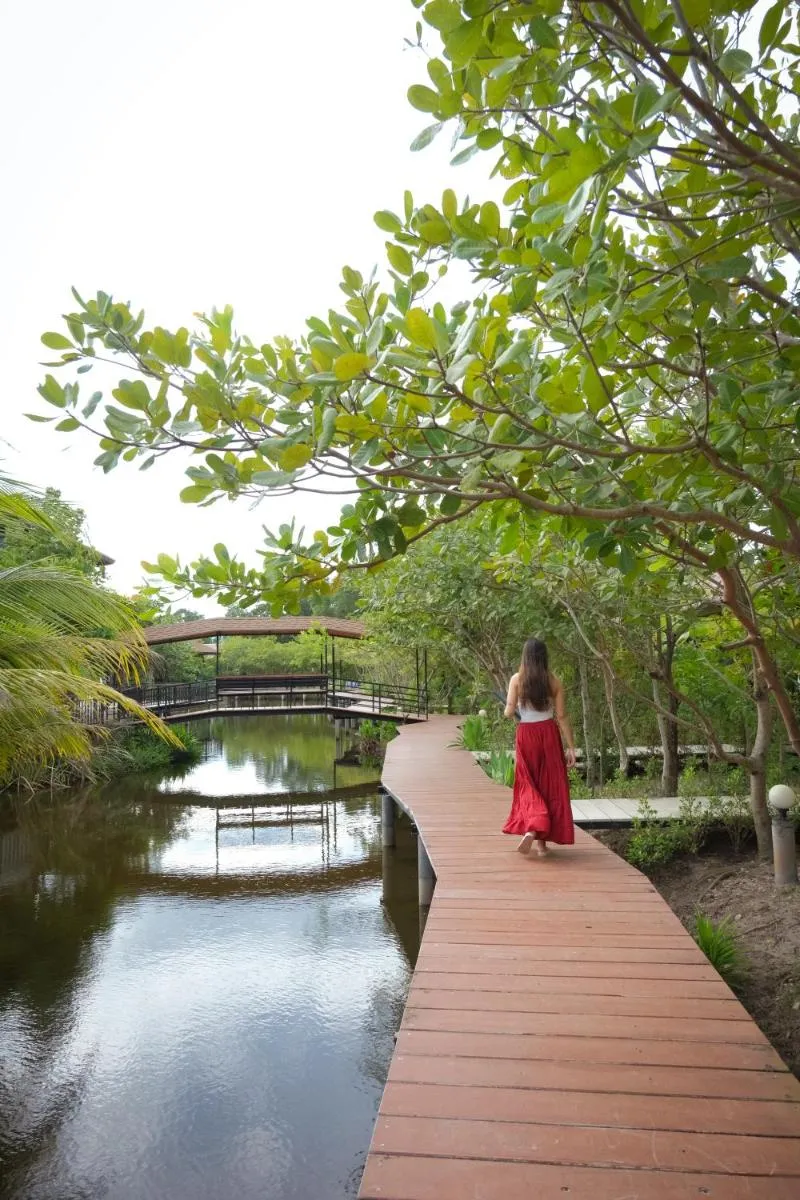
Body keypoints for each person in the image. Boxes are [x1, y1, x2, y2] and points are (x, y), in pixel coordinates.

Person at [502, 638, 577, 857]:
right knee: (549, 784)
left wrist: (511, 709)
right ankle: (542, 845)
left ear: (525, 656)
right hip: (549, 734)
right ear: (544, 657)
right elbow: (562, 716)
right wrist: (571, 747)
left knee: (528, 782)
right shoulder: (554, 682)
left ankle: (533, 827)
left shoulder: (517, 680)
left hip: (526, 734)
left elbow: (508, 712)